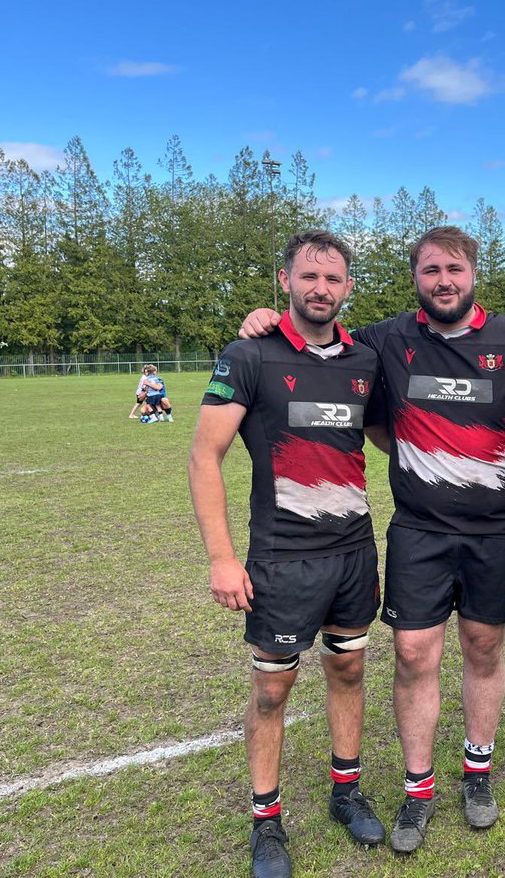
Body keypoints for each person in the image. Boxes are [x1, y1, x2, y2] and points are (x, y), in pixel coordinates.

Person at [238, 226, 505, 854]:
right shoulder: (384, 338)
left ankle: (478, 774)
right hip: (419, 530)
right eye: (431, 270)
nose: (443, 281)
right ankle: (418, 786)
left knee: (485, 647)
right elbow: (338, 373)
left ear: (473, 274)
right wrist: (263, 318)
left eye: (454, 269)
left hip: (495, 530)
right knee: (412, 654)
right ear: (416, 278)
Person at [189, 230, 388, 878]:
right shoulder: (249, 355)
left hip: (353, 551)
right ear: (285, 281)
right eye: (309, 277)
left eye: (333, 278)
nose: (321, 289)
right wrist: (222, 558)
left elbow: (390, 429)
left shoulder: (365, 359)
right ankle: (265, 820)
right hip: (281, 558)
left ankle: (345, 791)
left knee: (349, 672)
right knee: (273, 689)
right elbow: (204, 457)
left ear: (348, 287)